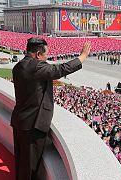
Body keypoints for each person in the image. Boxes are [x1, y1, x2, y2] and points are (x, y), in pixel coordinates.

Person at [11, 38, 91, 180]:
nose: (47, 57)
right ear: (37, 54)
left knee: (21, 161)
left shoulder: (19, 66)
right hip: (32, 124)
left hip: (20, 120)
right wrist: (82, 56)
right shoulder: (36, 67)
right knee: (29, 167)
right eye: (46, 54)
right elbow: (59, 69)